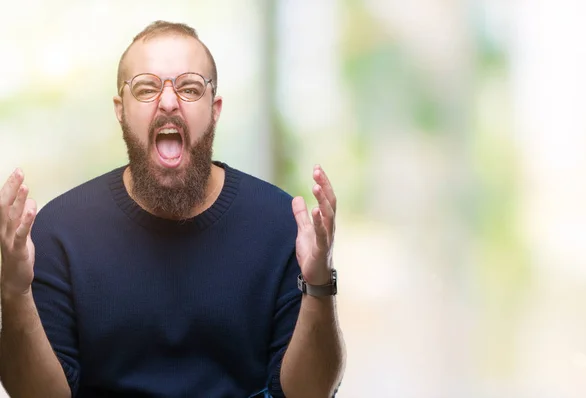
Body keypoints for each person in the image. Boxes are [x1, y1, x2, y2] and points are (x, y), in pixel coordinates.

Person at [0, 21, 345, 397]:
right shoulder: (59, 231)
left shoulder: (280, 224)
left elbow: (310, 392)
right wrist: (14, 292)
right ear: (121, 110)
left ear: (214, 110)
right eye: (146, 88)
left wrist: (319, 284)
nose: (168, 101)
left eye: (189, 87)